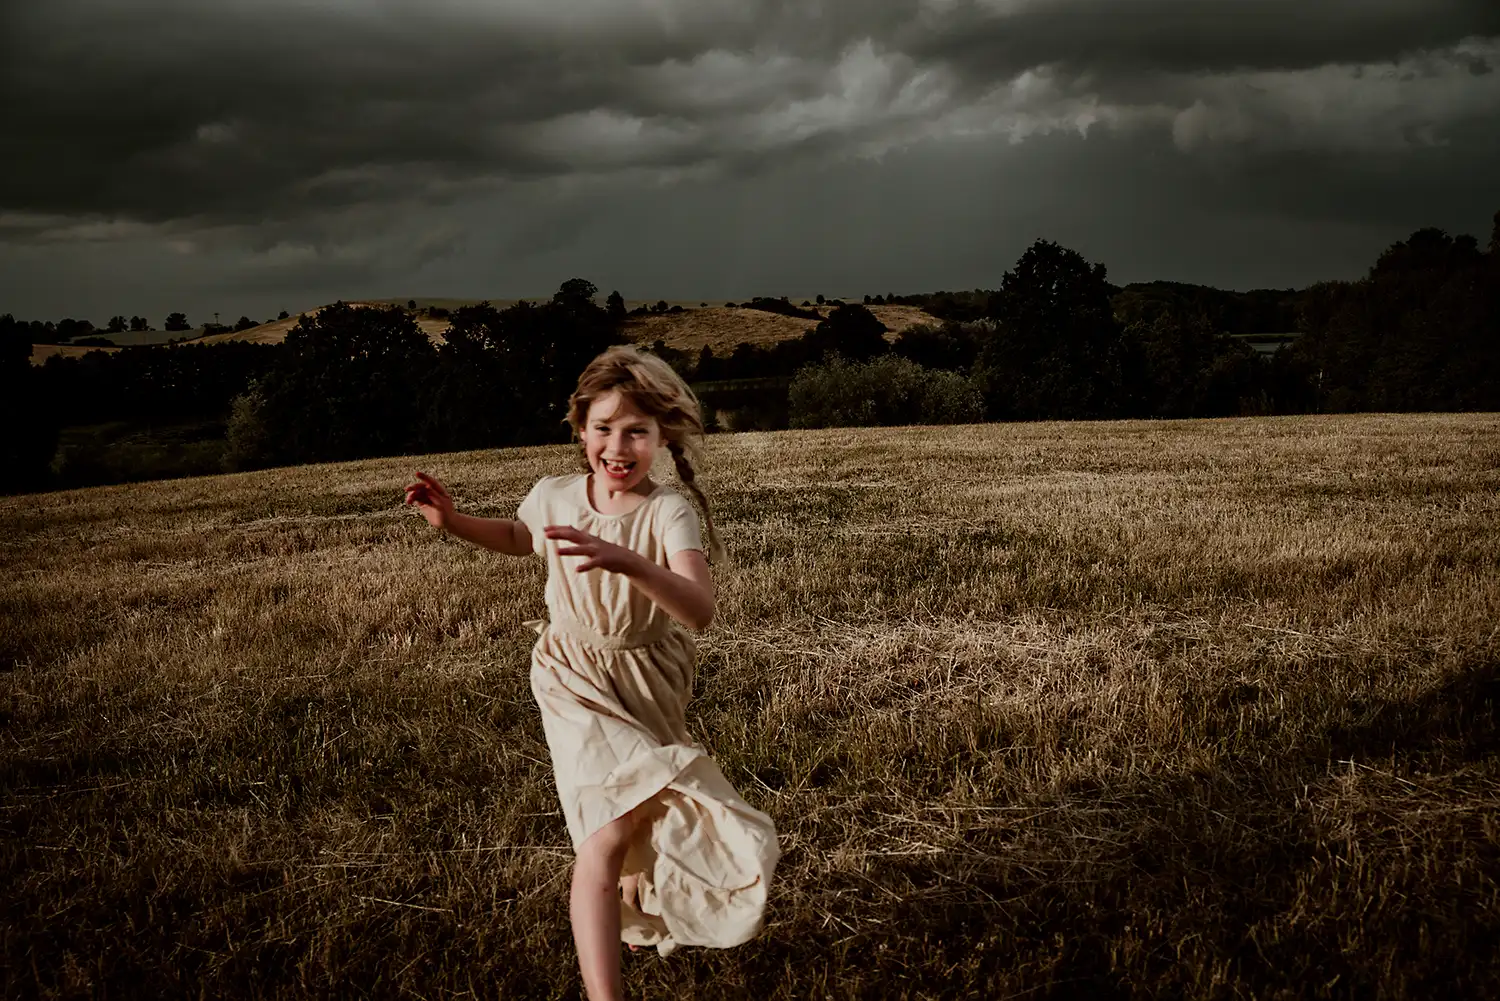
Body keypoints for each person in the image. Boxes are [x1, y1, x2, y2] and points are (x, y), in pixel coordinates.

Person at [403, 344, 779, 1001]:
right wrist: (452, 520)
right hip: (570, 672)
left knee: (640, 814)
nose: (619, 445)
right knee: (604, 829)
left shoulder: (667, 511)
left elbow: (699, 609)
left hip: (649, 675)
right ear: (580, 428)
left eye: (637, 430)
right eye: (604, 427)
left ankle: (635, 903)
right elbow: (522, 538)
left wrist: (628, 559)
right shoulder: (553, 495)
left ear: (661, 435)